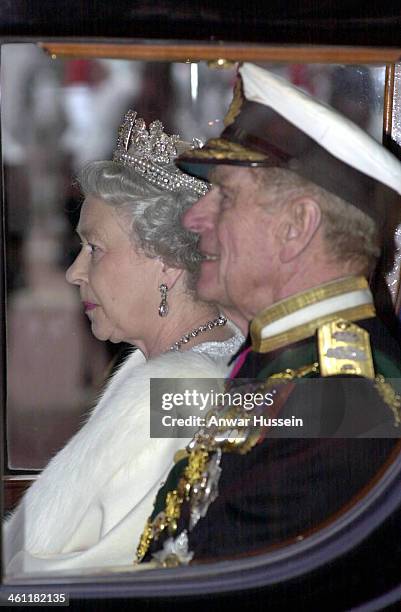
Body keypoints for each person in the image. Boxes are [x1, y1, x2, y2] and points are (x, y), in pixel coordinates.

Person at [138, 64, 401, 572]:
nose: (194, 217)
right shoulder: (278, 364)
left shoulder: (346, 413)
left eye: (225, 195)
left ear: (297, 227)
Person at [3, 110, 244, 575]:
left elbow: (95, 577)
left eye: (94, 248)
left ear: (167, 262)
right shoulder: (165, 368)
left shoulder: (178, 390)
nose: (74, 272)